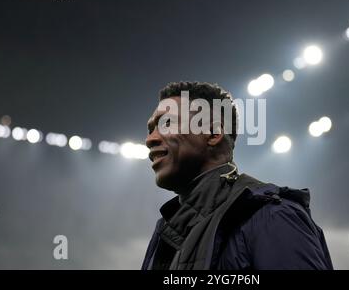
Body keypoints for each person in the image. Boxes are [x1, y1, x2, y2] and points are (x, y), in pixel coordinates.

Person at [141, 81, 333, 270]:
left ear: (213, 133)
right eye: (151, 129)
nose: (150, 139)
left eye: (166, 123)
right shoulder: (166, 231)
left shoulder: (272, 216)